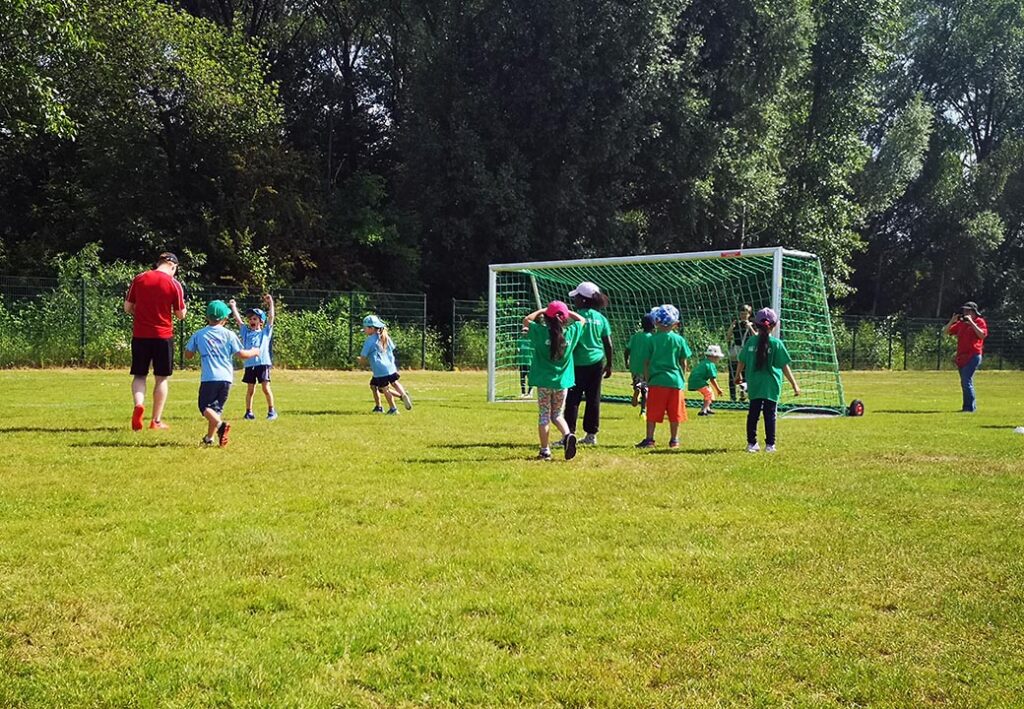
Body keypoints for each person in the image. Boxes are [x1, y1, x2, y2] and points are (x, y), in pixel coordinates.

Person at [124, 252, 187, 431]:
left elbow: (127, 308)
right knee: (161, 379)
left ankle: (138, 404)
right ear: (173, 266)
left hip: (140, 335)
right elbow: (181, 314)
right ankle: (156, 421)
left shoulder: (140, 278)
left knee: (139, 375)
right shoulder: (174, 284)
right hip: (163, 336)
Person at [184, 300, 260, 447]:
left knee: (204, 407)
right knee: (215, 409)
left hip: (209, 378)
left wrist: (193, 350)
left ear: (207, 317)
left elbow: (188, 354)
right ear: (225, 319)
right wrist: (255, 351)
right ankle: (209, 438)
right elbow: (242, 354)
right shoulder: (229, 334)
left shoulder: (199, 334)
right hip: (226, 378)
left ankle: (220, 426)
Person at [523, 301, 587, 461]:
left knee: (544, 415)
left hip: (544, 382)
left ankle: (545, 451)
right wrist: (567, 312)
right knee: (557, 414)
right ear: (564, 319)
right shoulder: (571, 333)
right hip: (562, 383)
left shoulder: (540, 332)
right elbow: (582, 321)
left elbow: (526, 320)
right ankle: (567, 435)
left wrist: (543, 310)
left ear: (547, 318)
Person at [735, 308, 800, 453]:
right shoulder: (776, 344)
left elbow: (741, 360)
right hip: (772, 385)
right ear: (774, 325)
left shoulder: (751, 341)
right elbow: (784, 366)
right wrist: (794, 384)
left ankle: (752, 443)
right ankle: (770, 445)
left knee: (753, 414)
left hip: (754, 384)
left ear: (756, 325)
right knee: (770, 415)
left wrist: (737, 375)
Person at [562, 281, 613, 446]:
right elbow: (608, 343)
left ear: (583, 300)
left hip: (577, 364)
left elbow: (568, 340)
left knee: (572, 399)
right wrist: (609, 364)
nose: (574, 300)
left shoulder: (575, 318)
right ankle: (591, 435)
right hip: (597, 363)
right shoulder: (601, 318)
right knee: (593, 398)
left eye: (576, 297)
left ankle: (568, 434)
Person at [636, 305, 692, 449]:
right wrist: (682, 377)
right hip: (675, 381)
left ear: (656, 322)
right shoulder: (679, 340)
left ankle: (649, 439)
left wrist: (648, 379)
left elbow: (646, 362)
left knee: (653, 412)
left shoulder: (651, 340)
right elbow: (683, 361)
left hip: (657, 381)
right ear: (675, 324)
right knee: (675, 413)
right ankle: (674, 440)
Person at [229, 294, 277, 421]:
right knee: (250, 390)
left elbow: (271, 317)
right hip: (249, 365)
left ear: (261, 321)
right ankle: (248, 412)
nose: (251, 321)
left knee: (266, 388)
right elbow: (238, 320)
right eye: (250, 319)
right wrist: (234, 307)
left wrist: (271, 303)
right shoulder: (245, 332)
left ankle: (271, 411)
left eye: (255, 319)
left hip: (263, 364)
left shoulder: (265, 333)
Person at [359, 315, 413, 415]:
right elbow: (391, 348)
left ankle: (393, 409)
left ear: (371, 328)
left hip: (379, 370)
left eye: (365, 328)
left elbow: (363, 356)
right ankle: (402, 394)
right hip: (391, 367)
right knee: (385, 384)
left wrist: (360, 361)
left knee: (385, 389)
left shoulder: (369, 341)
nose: (364, 330)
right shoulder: (385, 337)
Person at [944, 301, 988, 412]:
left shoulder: (979, 321)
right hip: (961, 356)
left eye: (968, 310)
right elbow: (945, 332)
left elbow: (982, 335)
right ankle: (969, 406)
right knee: (965, 382)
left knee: (966, 381)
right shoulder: (961, 324)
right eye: (964, 310)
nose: (965, 312)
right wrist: (952, 321)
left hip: (973, 355)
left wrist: (972, 323)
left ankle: (968, 408)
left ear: (974, 312)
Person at [624, 312, 656, 415]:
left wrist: (626, 361)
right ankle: (643, 411)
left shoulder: (636, 336)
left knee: (638, 383)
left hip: (635, 366)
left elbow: (627, 350)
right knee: (646, 389)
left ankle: (637, 388)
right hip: (647, 368)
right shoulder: (653, 339)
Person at [726, 304, 756, 402]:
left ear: (749, 314)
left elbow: (756, 336)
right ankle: (732, 397)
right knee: (733, 374)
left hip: (747, 351)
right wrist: (731, 327)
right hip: (736, 351)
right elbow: (728, 337)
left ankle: (744, 393)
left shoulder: (753, 324)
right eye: (741, 313)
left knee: (746, 374)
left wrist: (750, 327)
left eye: (745, 314)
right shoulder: (736, 324)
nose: (743, 316)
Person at [689, 344, 725, 416]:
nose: (718, 359)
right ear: (713, 357)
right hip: (699, 381)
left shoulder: (704, 362)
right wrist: (718, 389)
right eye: (718, 357)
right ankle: (703, 410)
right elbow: (712, 379)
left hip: (693, 380)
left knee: (709, 392)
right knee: (709, 393)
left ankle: (708, 408)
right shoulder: (711, 364)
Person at [517, 331, 533, 397]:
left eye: (526, 331)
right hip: (522, 362)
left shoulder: (531, 340)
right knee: (522, 378)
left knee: (530, 378)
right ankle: (523, 393)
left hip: (530, 362)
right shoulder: (520, 340)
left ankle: (529, 392)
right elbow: (518, 348)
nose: (524, 332)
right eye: (523, 331)